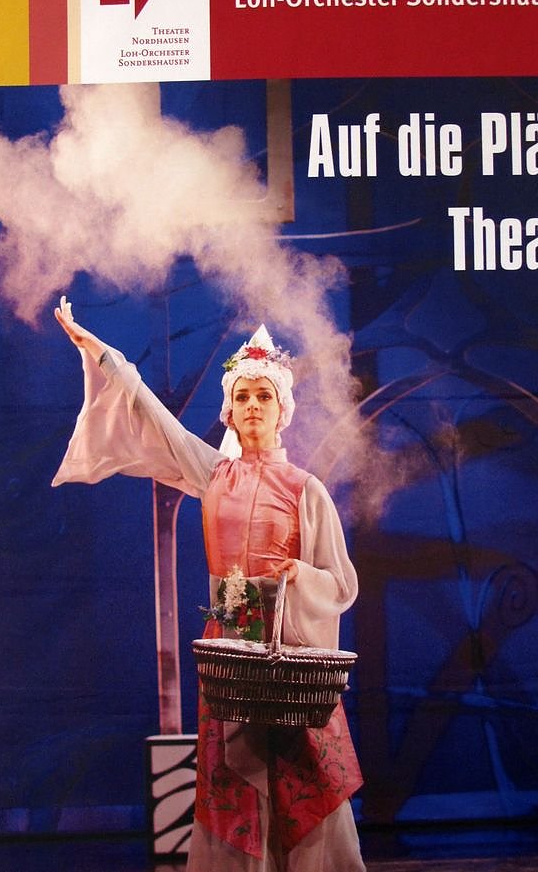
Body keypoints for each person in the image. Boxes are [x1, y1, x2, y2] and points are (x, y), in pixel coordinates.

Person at [52, 296, 366, 872]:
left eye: (263, 396)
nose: (252, 406)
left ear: (282, 409)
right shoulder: (214, 474)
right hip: (229, 655)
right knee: (233, 781)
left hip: (290, 657)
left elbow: (341, 584)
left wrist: (299, 576)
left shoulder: (305, 489)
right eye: (242, 397)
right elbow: (155, 418)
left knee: (305, 778)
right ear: (228, 411)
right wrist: (100, 354)